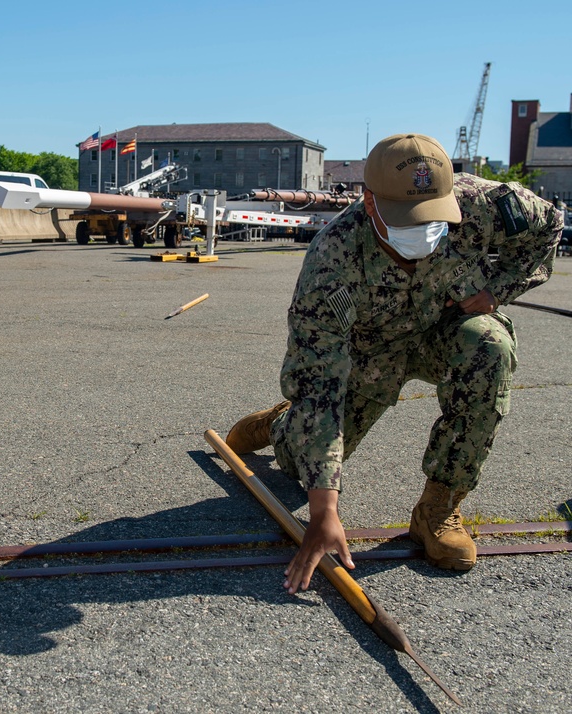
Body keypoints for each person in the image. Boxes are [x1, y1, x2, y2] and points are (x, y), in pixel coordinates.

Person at [226, 133, 563, 595]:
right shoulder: (332, 259)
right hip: (370, 354)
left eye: (433, 217)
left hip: (445, 330)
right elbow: (320, 378)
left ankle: (437, 509)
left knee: (491, 349)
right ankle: (282, 428)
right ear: (369, 202)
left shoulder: (485, 202)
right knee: (295, 467)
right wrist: (325, 513)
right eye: (407, 219)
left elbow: (549, 226)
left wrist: (497, 290)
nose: (423, 231)